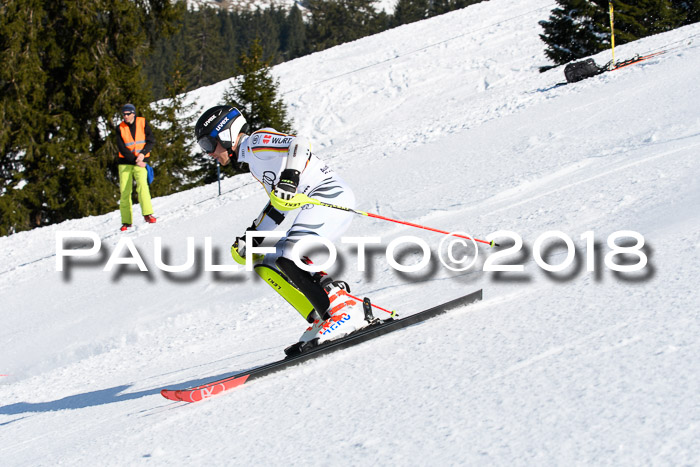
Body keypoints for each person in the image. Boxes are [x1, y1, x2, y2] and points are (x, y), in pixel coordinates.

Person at [195, 105, 369, 353]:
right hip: (316, 202)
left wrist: (290, 176)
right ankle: (323, 314)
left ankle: (343, 308)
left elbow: (299, 143)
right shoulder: (254, 164)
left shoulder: (256, 142)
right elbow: (279, 207)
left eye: (208, 144)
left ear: (226, 134)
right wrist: (252, 237)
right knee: (268, 259)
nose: (209, 153)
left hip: (329, 196)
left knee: (290, 252)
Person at [116, 103, 157, 231]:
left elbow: (151, 141)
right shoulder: (120, 128)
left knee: (143, 187)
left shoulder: (143, 123)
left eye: (128, 114)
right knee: (125, 192)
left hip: (141, 160)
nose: (125, 116)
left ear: (133, 113)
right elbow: (121, 148)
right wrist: (136, 160)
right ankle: (126, 222)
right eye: (124, 114)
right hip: (126, 162)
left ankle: (148, 214)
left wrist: (142, 155)